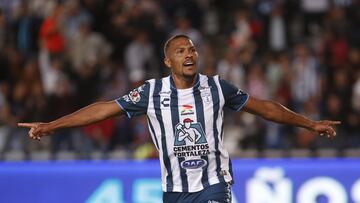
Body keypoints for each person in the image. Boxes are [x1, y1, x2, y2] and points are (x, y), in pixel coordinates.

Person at [18, 35, 340, 203]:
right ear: (168, 60)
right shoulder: (151, 92)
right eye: (181, 51)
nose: (189, 54)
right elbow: (102, 109)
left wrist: (309, 123)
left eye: (192, 49)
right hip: (174, 191)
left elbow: (265, 107)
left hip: (214, 185)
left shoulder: (217, 86)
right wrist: (51, 125)